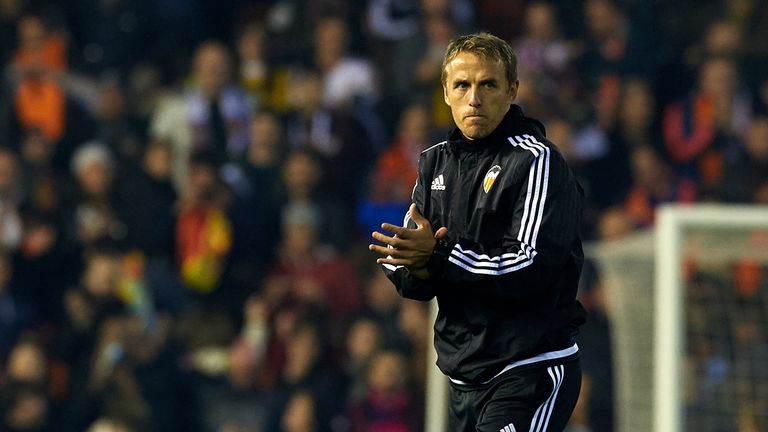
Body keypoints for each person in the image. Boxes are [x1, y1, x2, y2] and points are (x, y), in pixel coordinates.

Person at [368, 32, 586, 432]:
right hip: (463, 379)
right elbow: (408, 274)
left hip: (529, 369)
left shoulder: (536, 161)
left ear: (512, 90)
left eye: (488, 84)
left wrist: (436, 257)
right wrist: (416, 263)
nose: (475, 98)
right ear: (446, 92)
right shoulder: (434, 164)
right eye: (462, 85)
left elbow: (529, 264)